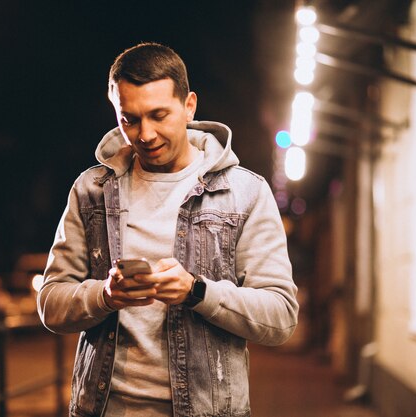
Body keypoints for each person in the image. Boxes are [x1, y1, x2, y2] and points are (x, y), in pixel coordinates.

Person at [37, 42, 298, 417]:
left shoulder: (246, 193)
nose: (145, 134)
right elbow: (50, 304)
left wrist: (197, 292)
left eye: (159, 115)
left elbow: (281, 317)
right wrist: (105, 296)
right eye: (129, 119)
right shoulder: (91, 191)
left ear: (189, 105)